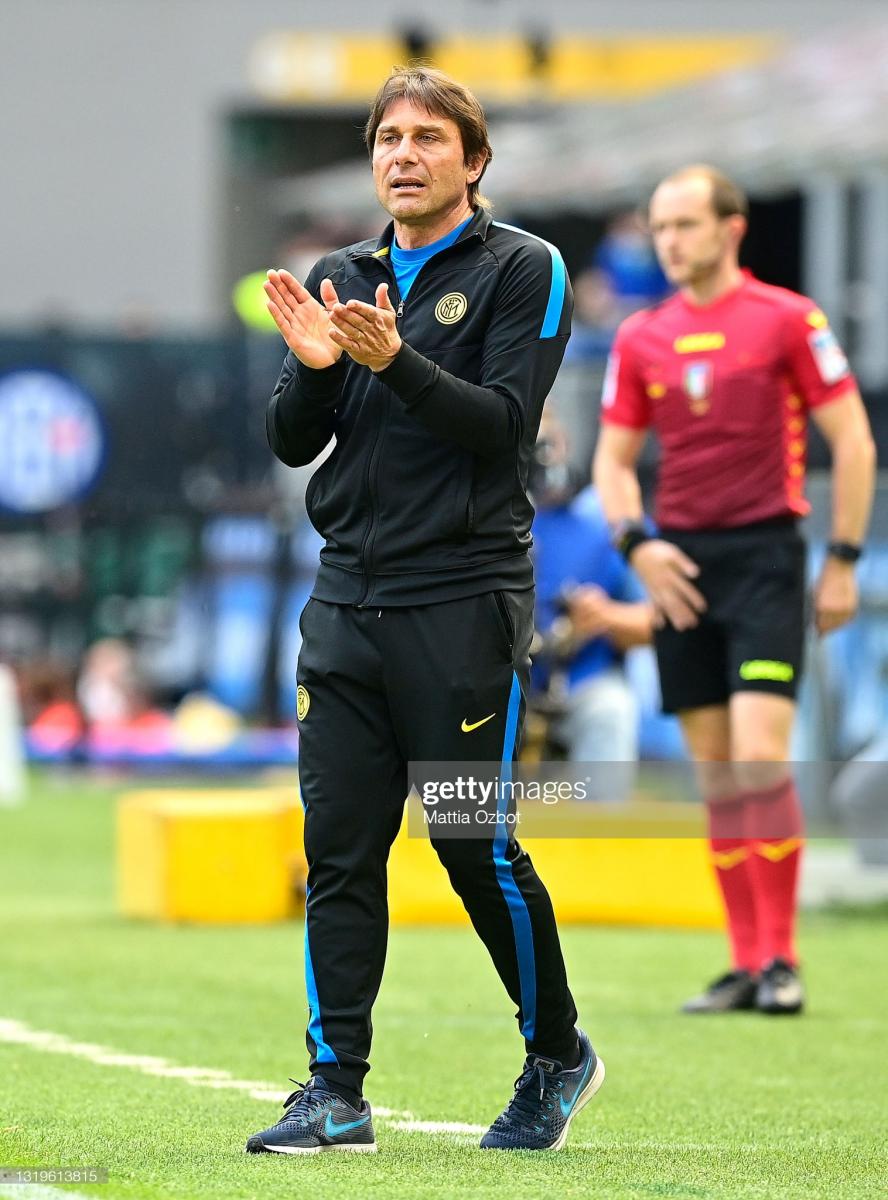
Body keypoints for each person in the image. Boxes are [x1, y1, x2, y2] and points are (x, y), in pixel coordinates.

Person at [250, 66, 604, 1156]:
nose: (402, 155)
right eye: (387, 139)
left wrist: (394, 360)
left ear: (473, 160)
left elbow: (502, 428)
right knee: (338, 849)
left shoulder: (524, 268)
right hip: (347, 598)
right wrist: (317, 372)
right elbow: (292, 439)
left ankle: (557, 1053)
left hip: (462, 604)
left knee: (472, 845)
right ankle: (334, 1090)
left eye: (427, 138)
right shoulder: (342, 271)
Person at [593, 164, 876, 1016]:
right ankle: (746, 962)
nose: (670, 242)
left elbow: (853, 443)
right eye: (660, 228)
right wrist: (637, 547)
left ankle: (783, 959)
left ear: (731, 228)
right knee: (716, 775)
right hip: (680, 566)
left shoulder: (790, 320)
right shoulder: (642, 337)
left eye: (685, 224)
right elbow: (612, 462)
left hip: (766, 559)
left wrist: (843, 561)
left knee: (759, 755)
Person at [529, 414, 653, 781]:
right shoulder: (470, 512)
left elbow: (659, 619)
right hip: (488, 684)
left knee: (611, 710)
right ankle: (439, 833)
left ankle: (601, 833)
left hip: (577, 680)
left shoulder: (604, 519)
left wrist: (605, 617)